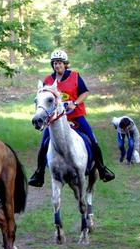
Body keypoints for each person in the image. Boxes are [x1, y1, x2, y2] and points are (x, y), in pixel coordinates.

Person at [28, 50, 115, 187]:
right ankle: (39, 174)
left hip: (76, 116)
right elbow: (43, 99)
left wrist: (75, 103)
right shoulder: (48, 80)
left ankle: (102, 169)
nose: (57, 66)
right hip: (55, 120)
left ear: (65, 64)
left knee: (92, 140)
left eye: (60, 63)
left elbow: (85, 92)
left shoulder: (75, 76)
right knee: (44, 143)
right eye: (55, 63)